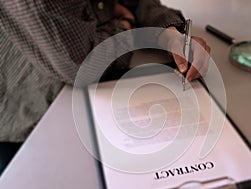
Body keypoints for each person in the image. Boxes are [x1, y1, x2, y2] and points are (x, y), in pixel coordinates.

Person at [0, 0, 210, 172]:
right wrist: (127, 23)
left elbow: (137, 2)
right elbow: (86, 64)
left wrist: (170, 34)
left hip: (95, 102)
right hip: (27, 118)